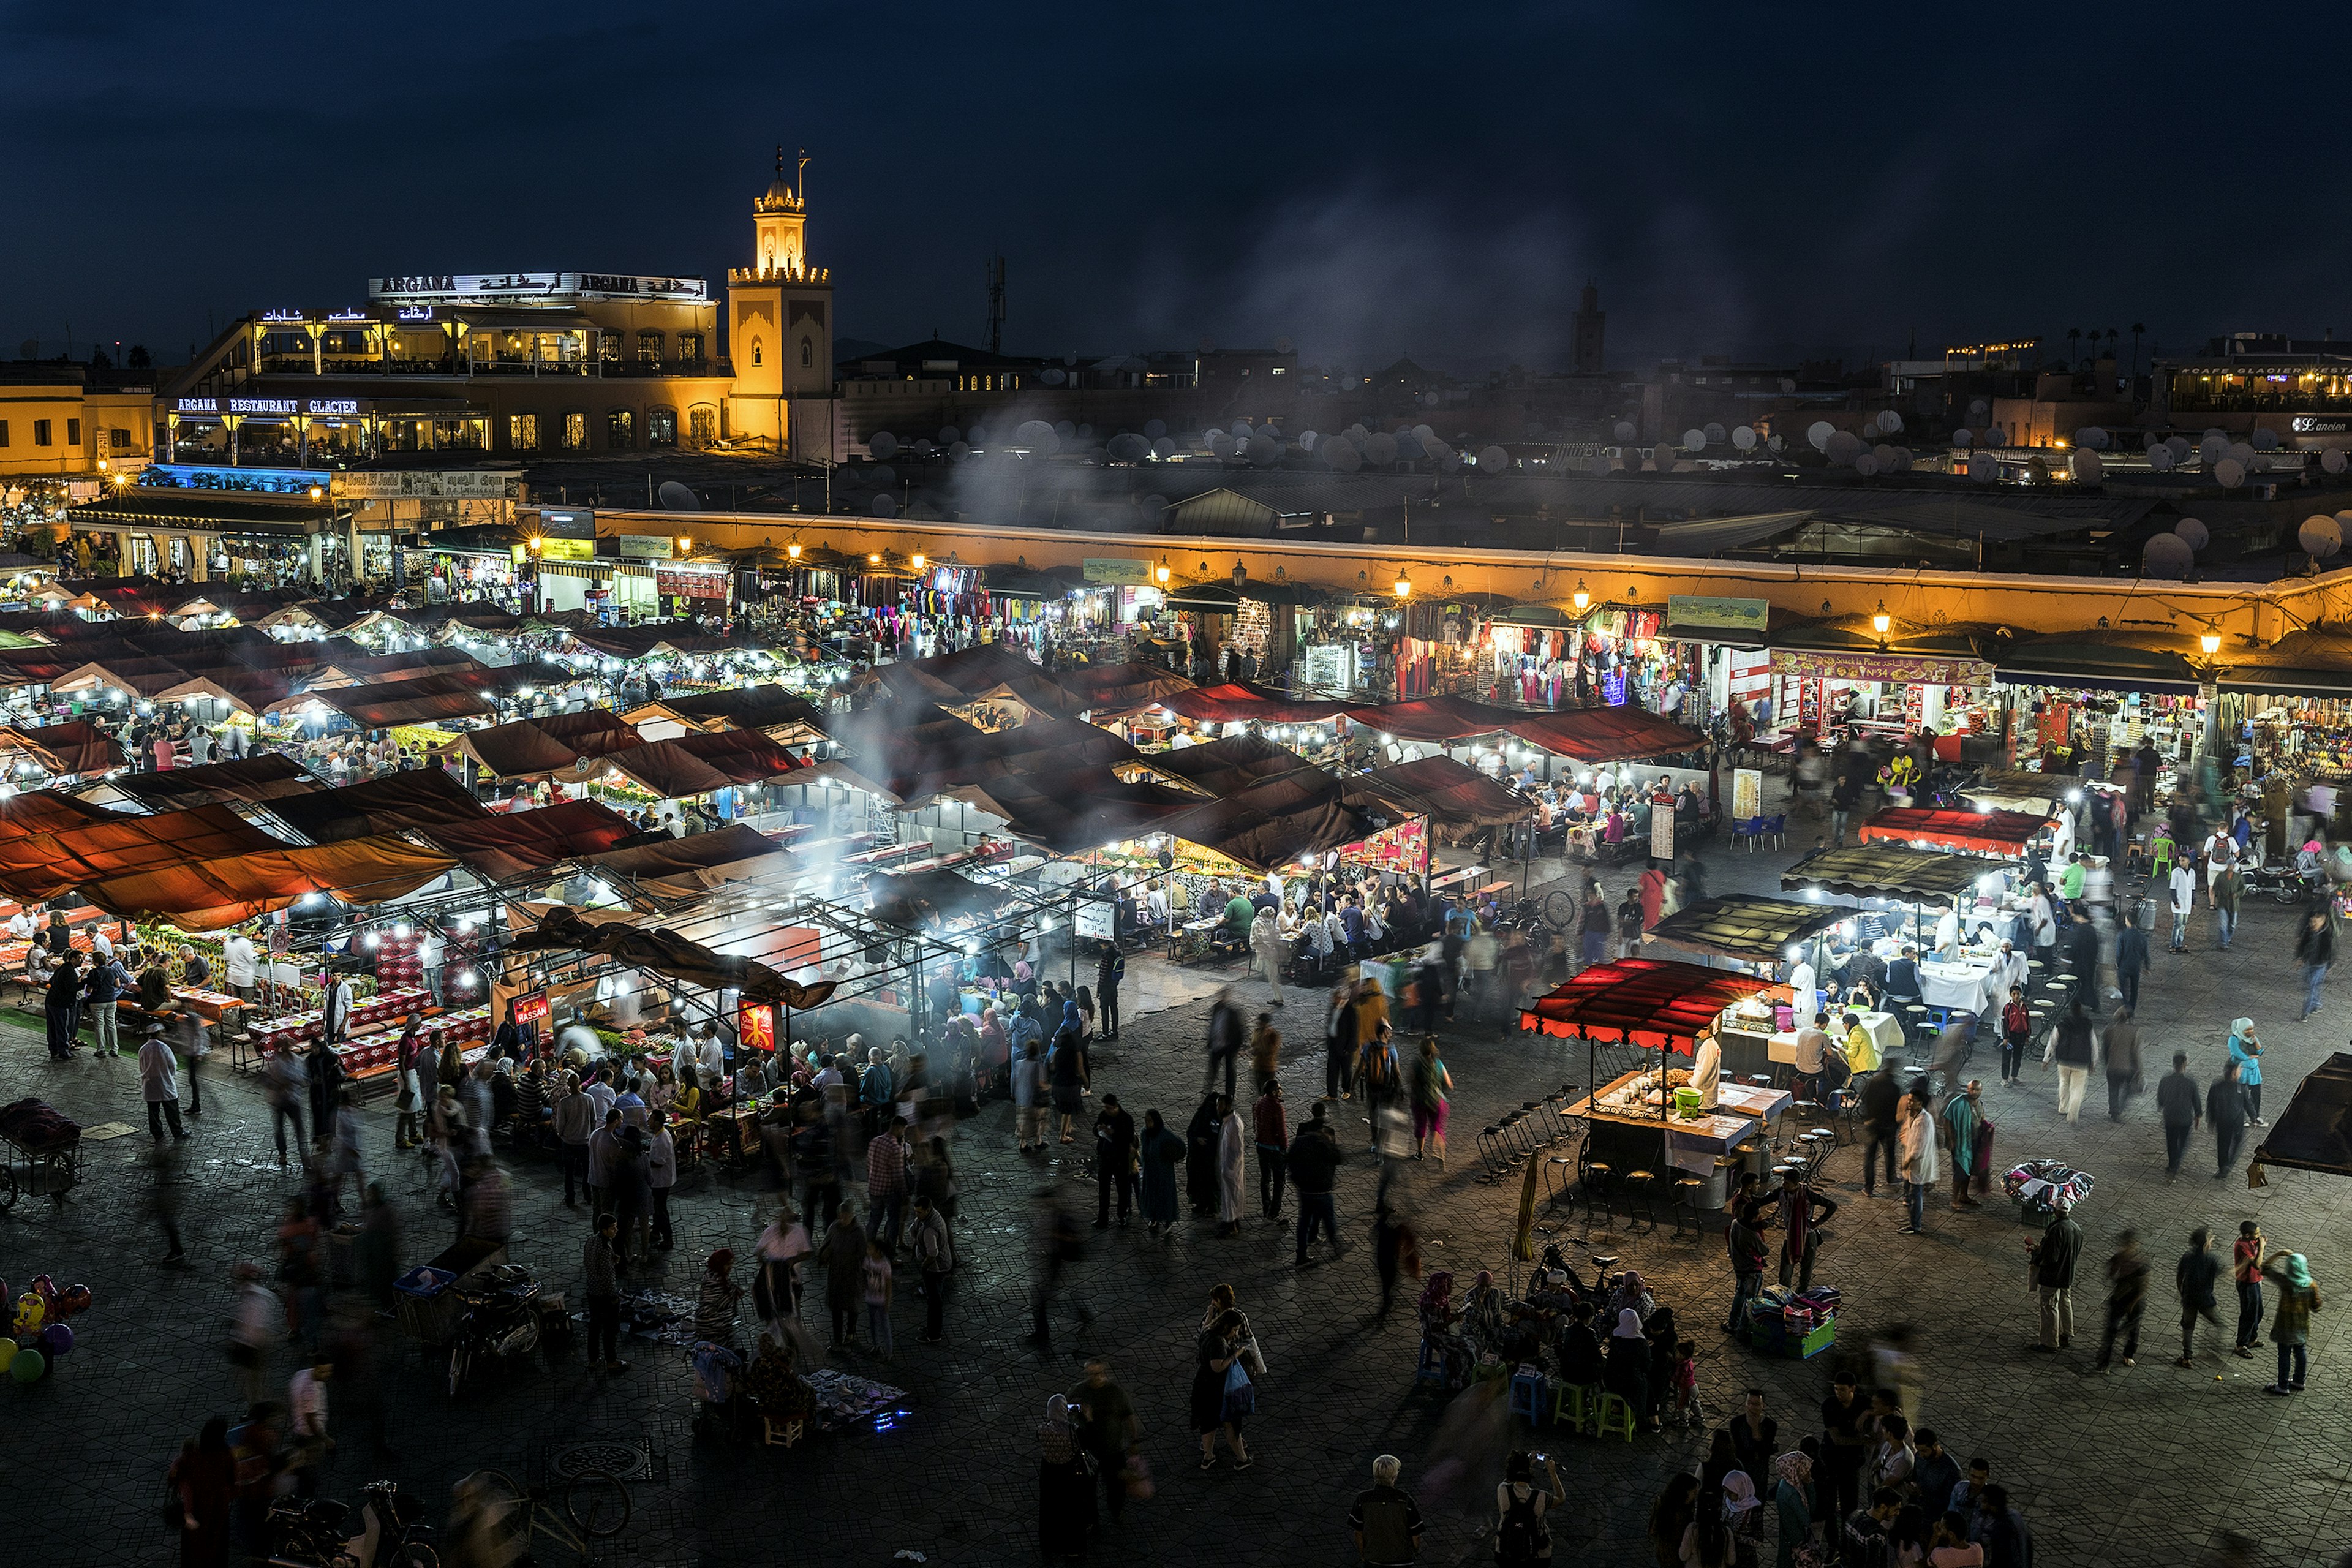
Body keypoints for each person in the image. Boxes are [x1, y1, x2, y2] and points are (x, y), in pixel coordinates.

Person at [1068, 1357, 1142, 1525]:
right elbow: (1066, 1408)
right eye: (1092, 1374)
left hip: (1113, 1449)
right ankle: (1091, 1519)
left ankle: (1117, 1510)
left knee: (1116, 1486)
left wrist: (1134, 1441)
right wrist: (1081, 1409)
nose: (1096, 1377)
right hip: (1088, 1449)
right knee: (1087, 1489)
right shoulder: (1079, 1390)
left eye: (1099, 1373)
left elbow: (1128, 1416)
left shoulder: (1115, 1392)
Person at [1037, 1395, 1097, 1562]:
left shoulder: (1041, 1429)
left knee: (1050, 1511)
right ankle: (1072, 1548)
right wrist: (1088, 1418)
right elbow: (1089, 1441)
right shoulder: (1073, 1430)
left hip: (1049, 1476)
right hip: (1069, 1476)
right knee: (1072, 1512)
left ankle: (1049, 1545)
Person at [1192, 1307, 1252, 1470]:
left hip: (1202, 1385)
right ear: (1226, 1327)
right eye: (1234, 1330)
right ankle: (1242, 1458)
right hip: (1218, 1389)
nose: (1235, 1333)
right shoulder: (1218, 1342)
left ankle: (1208, 1456)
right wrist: (1236, 1354)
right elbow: (1217, 1367)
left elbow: (1204, 1328)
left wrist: (1210, 1315)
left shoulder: (1208, 1331)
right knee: (1231, 1423)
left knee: (1208, 1422)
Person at [2260, 1251, 2322, 1395]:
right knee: (2300, 1352)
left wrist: (2279, 1254)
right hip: (2302, 1326)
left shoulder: (2285, 1282)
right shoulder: (2312, 1285)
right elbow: (2317, 1307)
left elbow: (2264, 1268)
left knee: (2284, 1354)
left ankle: (2282, 1386)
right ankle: (2299, 1380)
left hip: (2284, 1327)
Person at [1288, 1108, 1344, 1265]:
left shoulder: (1299, 1142)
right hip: (1322, 1190)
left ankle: (1302, 1254)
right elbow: (1337, 1158)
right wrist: (1330, 1142)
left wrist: (1297, 1180)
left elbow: (1290, 1161)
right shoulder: (1322, 1143)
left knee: (1304, 1222)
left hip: (1305, 1190)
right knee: (1329, 1219)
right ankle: (1337, 1245)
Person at [2027, 1197, 2083, 1352]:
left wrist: (2037, 1255)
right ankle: (2066, 1334)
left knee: (2049, 1306)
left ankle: (2049, 1342)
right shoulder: (2076, 1228)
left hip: (2054, 1276)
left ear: (2055, 1212)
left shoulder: (2056, 1229)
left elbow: (2051, 1257)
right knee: (2065, 1302)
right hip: (2068, 1273)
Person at [1491, 1449, 1565, 1567]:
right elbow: (1561, 1498)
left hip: (1505, 1552)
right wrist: (1552, 1472)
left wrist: (1526, 1464)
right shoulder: (1541, 1497)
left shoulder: (1502, 1490)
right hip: (1538, 1555)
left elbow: (1509, 1478)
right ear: (1529, 1472)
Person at [1351, 1453, 1424, 1567]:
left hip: (1374, 1559)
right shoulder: (1405, 1500)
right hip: (1402, 1559)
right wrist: (1415, 1552)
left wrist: (1363, 1554)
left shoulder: (1362, 1499)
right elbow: (1416, 1535)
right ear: (1394, 1476)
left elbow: (1358, 1532)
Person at [2094, 1229, 2149, 1371]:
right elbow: (2110, 1274)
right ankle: (2104, 1361)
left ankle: (2128, 1354)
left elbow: (2144, 1286)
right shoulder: (2118, 1257)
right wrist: (2115, 1266)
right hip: (2119, 1297)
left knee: (2133, 1329)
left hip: (2135, 1301)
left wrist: (2132, 1303)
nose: (2126, 1248)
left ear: (2134, 1245)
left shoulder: (2140, 1262)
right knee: (2111, 1329)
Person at [582, 1213, 627, 1373]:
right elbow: (608, 1278)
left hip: (592, 1291)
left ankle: (593, 1360)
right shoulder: (605, 1248)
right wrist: (614, 1297)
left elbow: (588, 1262)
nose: (616, 1230)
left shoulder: (591, 1241)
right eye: (613, 1228)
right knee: (610, 1329)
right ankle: (611, 1361)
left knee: (594, 1328)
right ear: (604, 1230)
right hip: (605, 1296)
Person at [821, 1202, 867, 1349]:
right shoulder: (834, 1227)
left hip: (852, 1275)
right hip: (835, 1273)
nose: (844, 1218)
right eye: (841, 1215)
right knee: (836, 1307)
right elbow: (826, 1244)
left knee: (851, 1306)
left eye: (846, 1215)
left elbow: (863, 1255)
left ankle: (850, 1332)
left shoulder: (859, 1232)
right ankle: (837, 1338)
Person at [2176, 1226, 2223, 1366]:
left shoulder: (2187, 1257)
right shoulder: (2211, 1260)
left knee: (2188, 1327)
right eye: (2211, 1239)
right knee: (2218, 1324)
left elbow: (2180, 1277)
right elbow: (2222, 1274)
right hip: (2206, 1300)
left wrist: (2182, 1292)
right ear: (2205, 1243)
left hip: (2189, 1298)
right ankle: (2211, 1348)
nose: (2212, 1241)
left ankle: (2187, 1358)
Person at [1137, 1107, 1186, 1238]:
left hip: (1164, 1173)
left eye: (1150, 1121)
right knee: (1152, 1194)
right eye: (1146, 1121)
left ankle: (1168, 1220)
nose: (1147, 1124)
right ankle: (1154, 1218)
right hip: (1150, 1172)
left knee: (1164, 1195)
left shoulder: (1165, 1135)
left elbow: (1180, 1146)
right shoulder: (1145, 1133)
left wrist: (1173, 1156)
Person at [1897, 1088, 1939, 1235]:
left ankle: (1916, 1225)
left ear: (1920, 1103)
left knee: (1916, 1195)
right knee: (1910, 1193)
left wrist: (1907, 1162)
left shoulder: (1924, 1121)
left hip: (1917, 1164)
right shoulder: (1912, 1116)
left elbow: (1918, 1148)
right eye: (1909, 1099)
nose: (1909, 1103)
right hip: (1911, 1163)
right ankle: (1912, 1220)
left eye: (1912, 1100)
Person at [1093, 1093, 1137, 1228]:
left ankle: (1122, 1215)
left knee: (1122, 1189)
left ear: (1115, 1107)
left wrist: (1114, 1134)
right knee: (1103, 1190)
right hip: (1105, 1157)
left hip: (1120, 1159)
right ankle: (1103, 1218)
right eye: (1105, 1107)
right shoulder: (1103, 1116)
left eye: (1108, 1108)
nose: (1106, 1110)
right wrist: (1098, 1130)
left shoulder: (1126, 1119)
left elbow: (1130, 1138)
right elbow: (1095, 1130)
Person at [2048, 996, 2094, 1123]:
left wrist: (2047, 1059)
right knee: (2077, 1089)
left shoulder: (2063, 1024)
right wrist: (2093, 1062)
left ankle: (2063, 1107)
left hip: (2063, 1060)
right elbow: (2093, 1044)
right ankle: (2073, 1114)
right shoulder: (2087, 1025)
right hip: (2081, 1061)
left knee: (2064, 1083)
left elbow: (2053, 1041)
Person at [140, 1020, 186, 1142]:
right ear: (158, 1033)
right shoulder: (164, 1048)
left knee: (153, 1113)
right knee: (172, 1111)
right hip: (165, 1084)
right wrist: (168, 1076)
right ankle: (178, 1132)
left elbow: (142, 1067)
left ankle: (157, 1134)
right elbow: (173, 1065)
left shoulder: (143, 1049)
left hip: (149, 1085)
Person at [1409, 1036, 1452, 1164]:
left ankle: (1420, 1153)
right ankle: (1439, 1152)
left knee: (1421, 1125)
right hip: (1437, 1100)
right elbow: (1449, 1084)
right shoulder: (1438, 1063)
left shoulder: (1417, 1063)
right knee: (1437, 1127)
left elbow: (1411, 1080)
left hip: (1420, 1100)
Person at [1648, 1472, 1702, 1568]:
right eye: (1694, 1492)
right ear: (1684, 1492)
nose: (1696, 1496)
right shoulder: (1677, 1513)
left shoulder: (1663, 1501)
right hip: (1674, 1554)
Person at [1253, 1080, 1289, 1219]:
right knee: (1279, 1182)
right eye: (1279, 1089)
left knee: (1265, 1179)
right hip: (1275, 1148)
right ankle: (1274, 1212)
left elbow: (1255, 1121)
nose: (1281, 1091)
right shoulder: (1277, 1108)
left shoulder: (1259, 1102)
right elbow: (1282, 1130)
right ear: (1274, 1092)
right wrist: (1284, 1147)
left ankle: (1266, 1208)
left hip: (1261, 1146)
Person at [2211, 1059, 2251, 1179]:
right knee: (2232, 1143)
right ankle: (2226, 1165)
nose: (2241, 1072)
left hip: (2224, 1122)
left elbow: (2211, 1104)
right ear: (2234, 1072)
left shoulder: (2218, 1086)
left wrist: (2212, 1119)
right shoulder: (2237, 1087)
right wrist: (2254, 1117)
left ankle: (2224, 1166)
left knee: (2224, 1144)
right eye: (2240, 1070)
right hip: (2232, 1122)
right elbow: (2248, 1104)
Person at [2101, 1005, 2142, 1123]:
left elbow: (2105, 1049)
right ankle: (2120, 1108)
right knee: (2128, 1089)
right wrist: (2139, 1070)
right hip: (2128, 1068)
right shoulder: (2134, 1031)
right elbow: (2135, 1053)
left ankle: (2114, 1111)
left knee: (2113, 1090)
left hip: (2113, 1067)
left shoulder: (2109, 1030)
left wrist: (2106, 1062)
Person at [2234, 1219, 2267, 1358]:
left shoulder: (2251, 1242)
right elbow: (2257, 1264)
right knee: (2248, 1314)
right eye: (2256, 1233)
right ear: (2247, 1235)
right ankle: (2241, 1344)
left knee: (2258, 1312)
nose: (2259, 1236)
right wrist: (2262, 1247)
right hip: (2247, 1283)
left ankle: (2252, 1339)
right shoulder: (2242, 1246)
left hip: (2255, 1281)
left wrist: (2260, 1243)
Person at [2297, 910, 2336, 1020]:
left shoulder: (2327, 935)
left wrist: (2329, 964)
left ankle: (2305, 1011)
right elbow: (2302, 945)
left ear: (2323, 922)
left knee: (2311, 987)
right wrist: (2301, 957)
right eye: (2311, 923)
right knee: (2311, 984)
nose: (2313, 925)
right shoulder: (2308, 932)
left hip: (2320, 965)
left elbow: (2330, 952)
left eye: (2316, 923)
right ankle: (2316, 1004)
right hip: (2309, 963)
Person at [2228, 1017, 2266, 1125]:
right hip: (2241, 1070)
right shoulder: (2234, 1039)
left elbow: (2259, 1052)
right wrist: (2250, 1057)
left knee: (2256, 1094)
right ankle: (2240, 1117)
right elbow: (2237, 1053)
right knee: (2241, 1095)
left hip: (2254, 1071)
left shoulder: (2252, 1038)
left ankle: (2256, 1116)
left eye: (2251, 1029)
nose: (2250, 1032)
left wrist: (2257, 1044)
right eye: (2247, 1030)